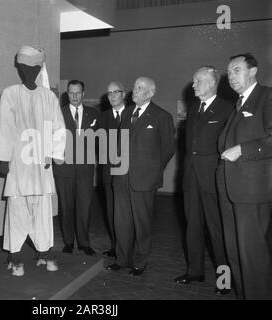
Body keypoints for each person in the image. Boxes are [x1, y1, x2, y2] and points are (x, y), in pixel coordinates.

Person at [0, 46, 66, 276]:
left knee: (42, 210)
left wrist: (54, 155)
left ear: (38, 69)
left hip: (41, 164)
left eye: (33, 68)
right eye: (24, 68)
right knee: (17, 209)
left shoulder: (48, 96)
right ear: (19, 68)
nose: (29, 72)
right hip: (17, 164)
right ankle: (15, 256)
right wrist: (3, 160)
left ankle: (44, 252)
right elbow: (5, 127)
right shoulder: (10, 93)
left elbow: (58, 127)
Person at [107, 77, 175, 275]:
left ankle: (140, 262)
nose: (134, 91)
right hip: (121, 178)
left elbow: (168, 149)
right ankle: (121, 259)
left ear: (151, 93)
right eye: (134, 87)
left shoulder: (162, 116)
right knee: (121, 222)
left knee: (142, 223)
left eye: (140, 88)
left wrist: (151, 170)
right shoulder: (127, 113)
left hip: (144, 180)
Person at [217, 53, 272, 300]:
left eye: (236, 70)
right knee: (235, 254)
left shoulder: (266, 97)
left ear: (253, 71)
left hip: (252, 192)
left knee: (252, 257)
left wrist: (243, 149)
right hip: (231, 191)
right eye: (229, 72)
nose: (231, 76)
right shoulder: (238, 104)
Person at [174, 67, 233, 295]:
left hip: (213, 180)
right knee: (193, 227)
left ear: (212, 83)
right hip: (190, 179)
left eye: (198, 81)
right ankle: (195, 271)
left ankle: (224, 280)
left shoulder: (227, 108)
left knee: (217, 231)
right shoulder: (193, 108)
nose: (194, 85)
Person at [53, 80, 100, 256]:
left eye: (77, 93)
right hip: (64, 168)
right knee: (66, 206)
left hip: (85, 169)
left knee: (85, 205)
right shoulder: (58, 113)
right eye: (71, 93)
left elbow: (100, 141)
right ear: (67, 93)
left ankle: (84, 242)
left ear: (83, 93)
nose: (74, 96)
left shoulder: (94, 114)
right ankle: (68, 242)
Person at [100, 81, 127, 258]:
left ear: (123, 94)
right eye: (109, 93)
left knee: (125, 212)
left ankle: (127, 247)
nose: (112, 96)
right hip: (109, 171)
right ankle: (115, 245)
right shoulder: (103, 117)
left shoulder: (134, 114)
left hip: (128, 173)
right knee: (111, 210)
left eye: (116, 92)